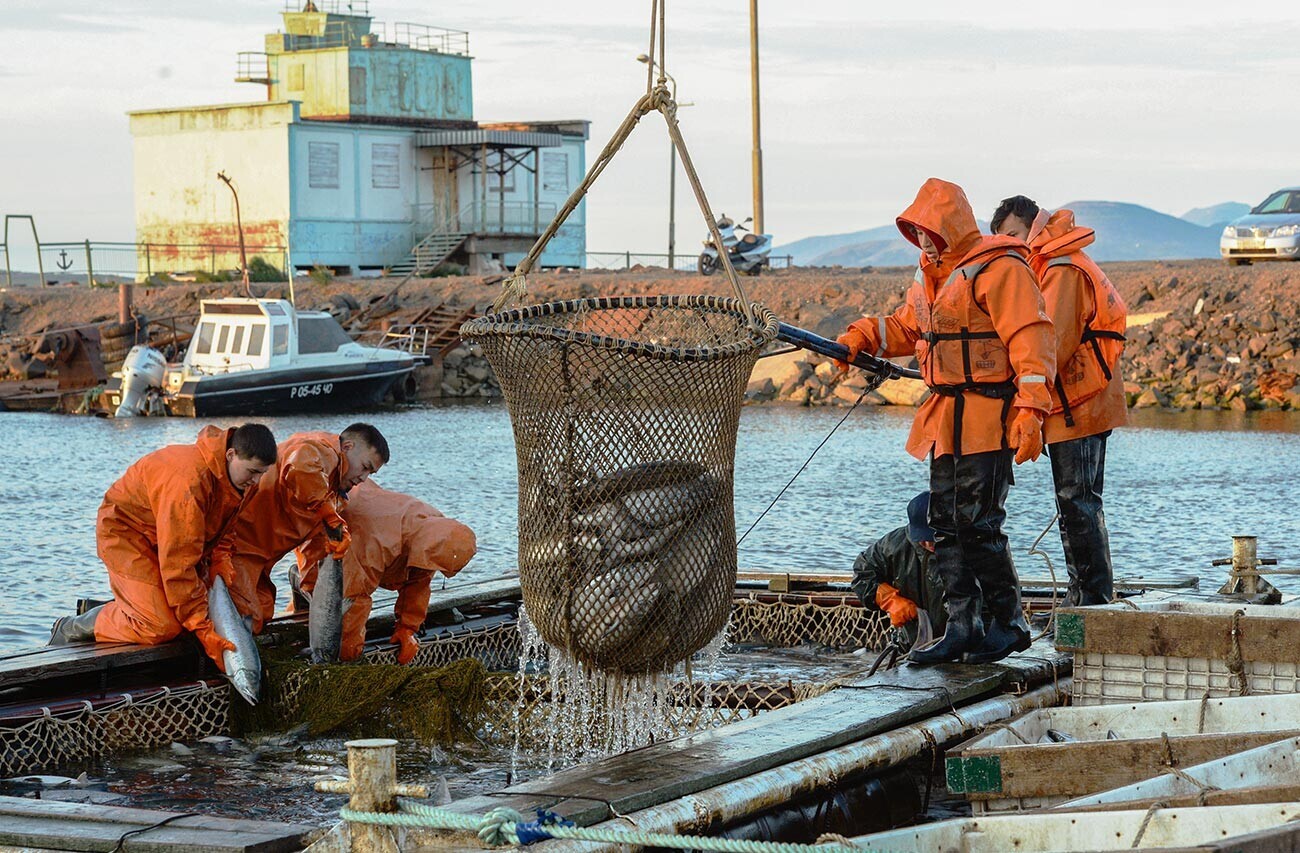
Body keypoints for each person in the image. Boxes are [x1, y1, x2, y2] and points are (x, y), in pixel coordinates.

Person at [835, 178, 1056, 665]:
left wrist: (1031, 411)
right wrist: (863, 336)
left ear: (951, 227)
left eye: (931, 231)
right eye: (918, 233)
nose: (925, 241)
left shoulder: (999, 268)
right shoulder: (929, 275)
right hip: (945, 418)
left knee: (979, 523)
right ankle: (963, 624)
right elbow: (907, 326)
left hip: (988, 413)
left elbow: (1032, 340)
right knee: (945, 524)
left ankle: (1009, 622)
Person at [49, 424, 278, 671]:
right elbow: (178, 567)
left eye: (262, 473)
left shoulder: (242, 481)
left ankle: (134, 603)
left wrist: (221, 559)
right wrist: (202, 629)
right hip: (128, 534)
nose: (257, 481)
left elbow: (226, 525)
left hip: (175, 540)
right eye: (253, 471)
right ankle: (73, 626)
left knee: (253, 616)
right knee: (161, 626)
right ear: (231, 455)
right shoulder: (188, 483)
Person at [992, 195, 1127, 607]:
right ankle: (1085, 593)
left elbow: (1053, 342)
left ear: (1033, 227)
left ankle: (1089, 599)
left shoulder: (1061, 269)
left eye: (1014, 235)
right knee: (1078, 500)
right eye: (1003, 239)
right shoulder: (1057, 261)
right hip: (1080, 402)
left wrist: (1016, 391)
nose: (1011, 245)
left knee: (1077, 501)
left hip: (1081, 405)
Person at [224, 423, 390, 632]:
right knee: (249, 617)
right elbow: (300, 466)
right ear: (347, 447)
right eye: (365, 467)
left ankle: (297, 583)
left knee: (264, 612)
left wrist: (316, 592)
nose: (363, 479)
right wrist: (327, 512)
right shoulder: (323, 451)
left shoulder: (336, 495)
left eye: (371, 473)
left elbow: (313, 548)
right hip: (234, 549)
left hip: (260, 560)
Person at [292, 479, 477, 663]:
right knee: (318, 587)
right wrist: (349, 655)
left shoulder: (437, 534)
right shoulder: (376, 545)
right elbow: (354, 599)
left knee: (331, 600)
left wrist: (407, 628)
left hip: (369, 510)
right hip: (333, 514)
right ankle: (299, 586)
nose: (431, 569)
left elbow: (419, 584)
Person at [850, 492, 945, 646]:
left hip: (964, 645)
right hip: (912, 641)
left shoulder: (974, 545)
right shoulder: (893, 544)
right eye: (923, 538)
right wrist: (889, 600)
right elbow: (862, 573)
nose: (929, 544)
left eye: (935, 537)